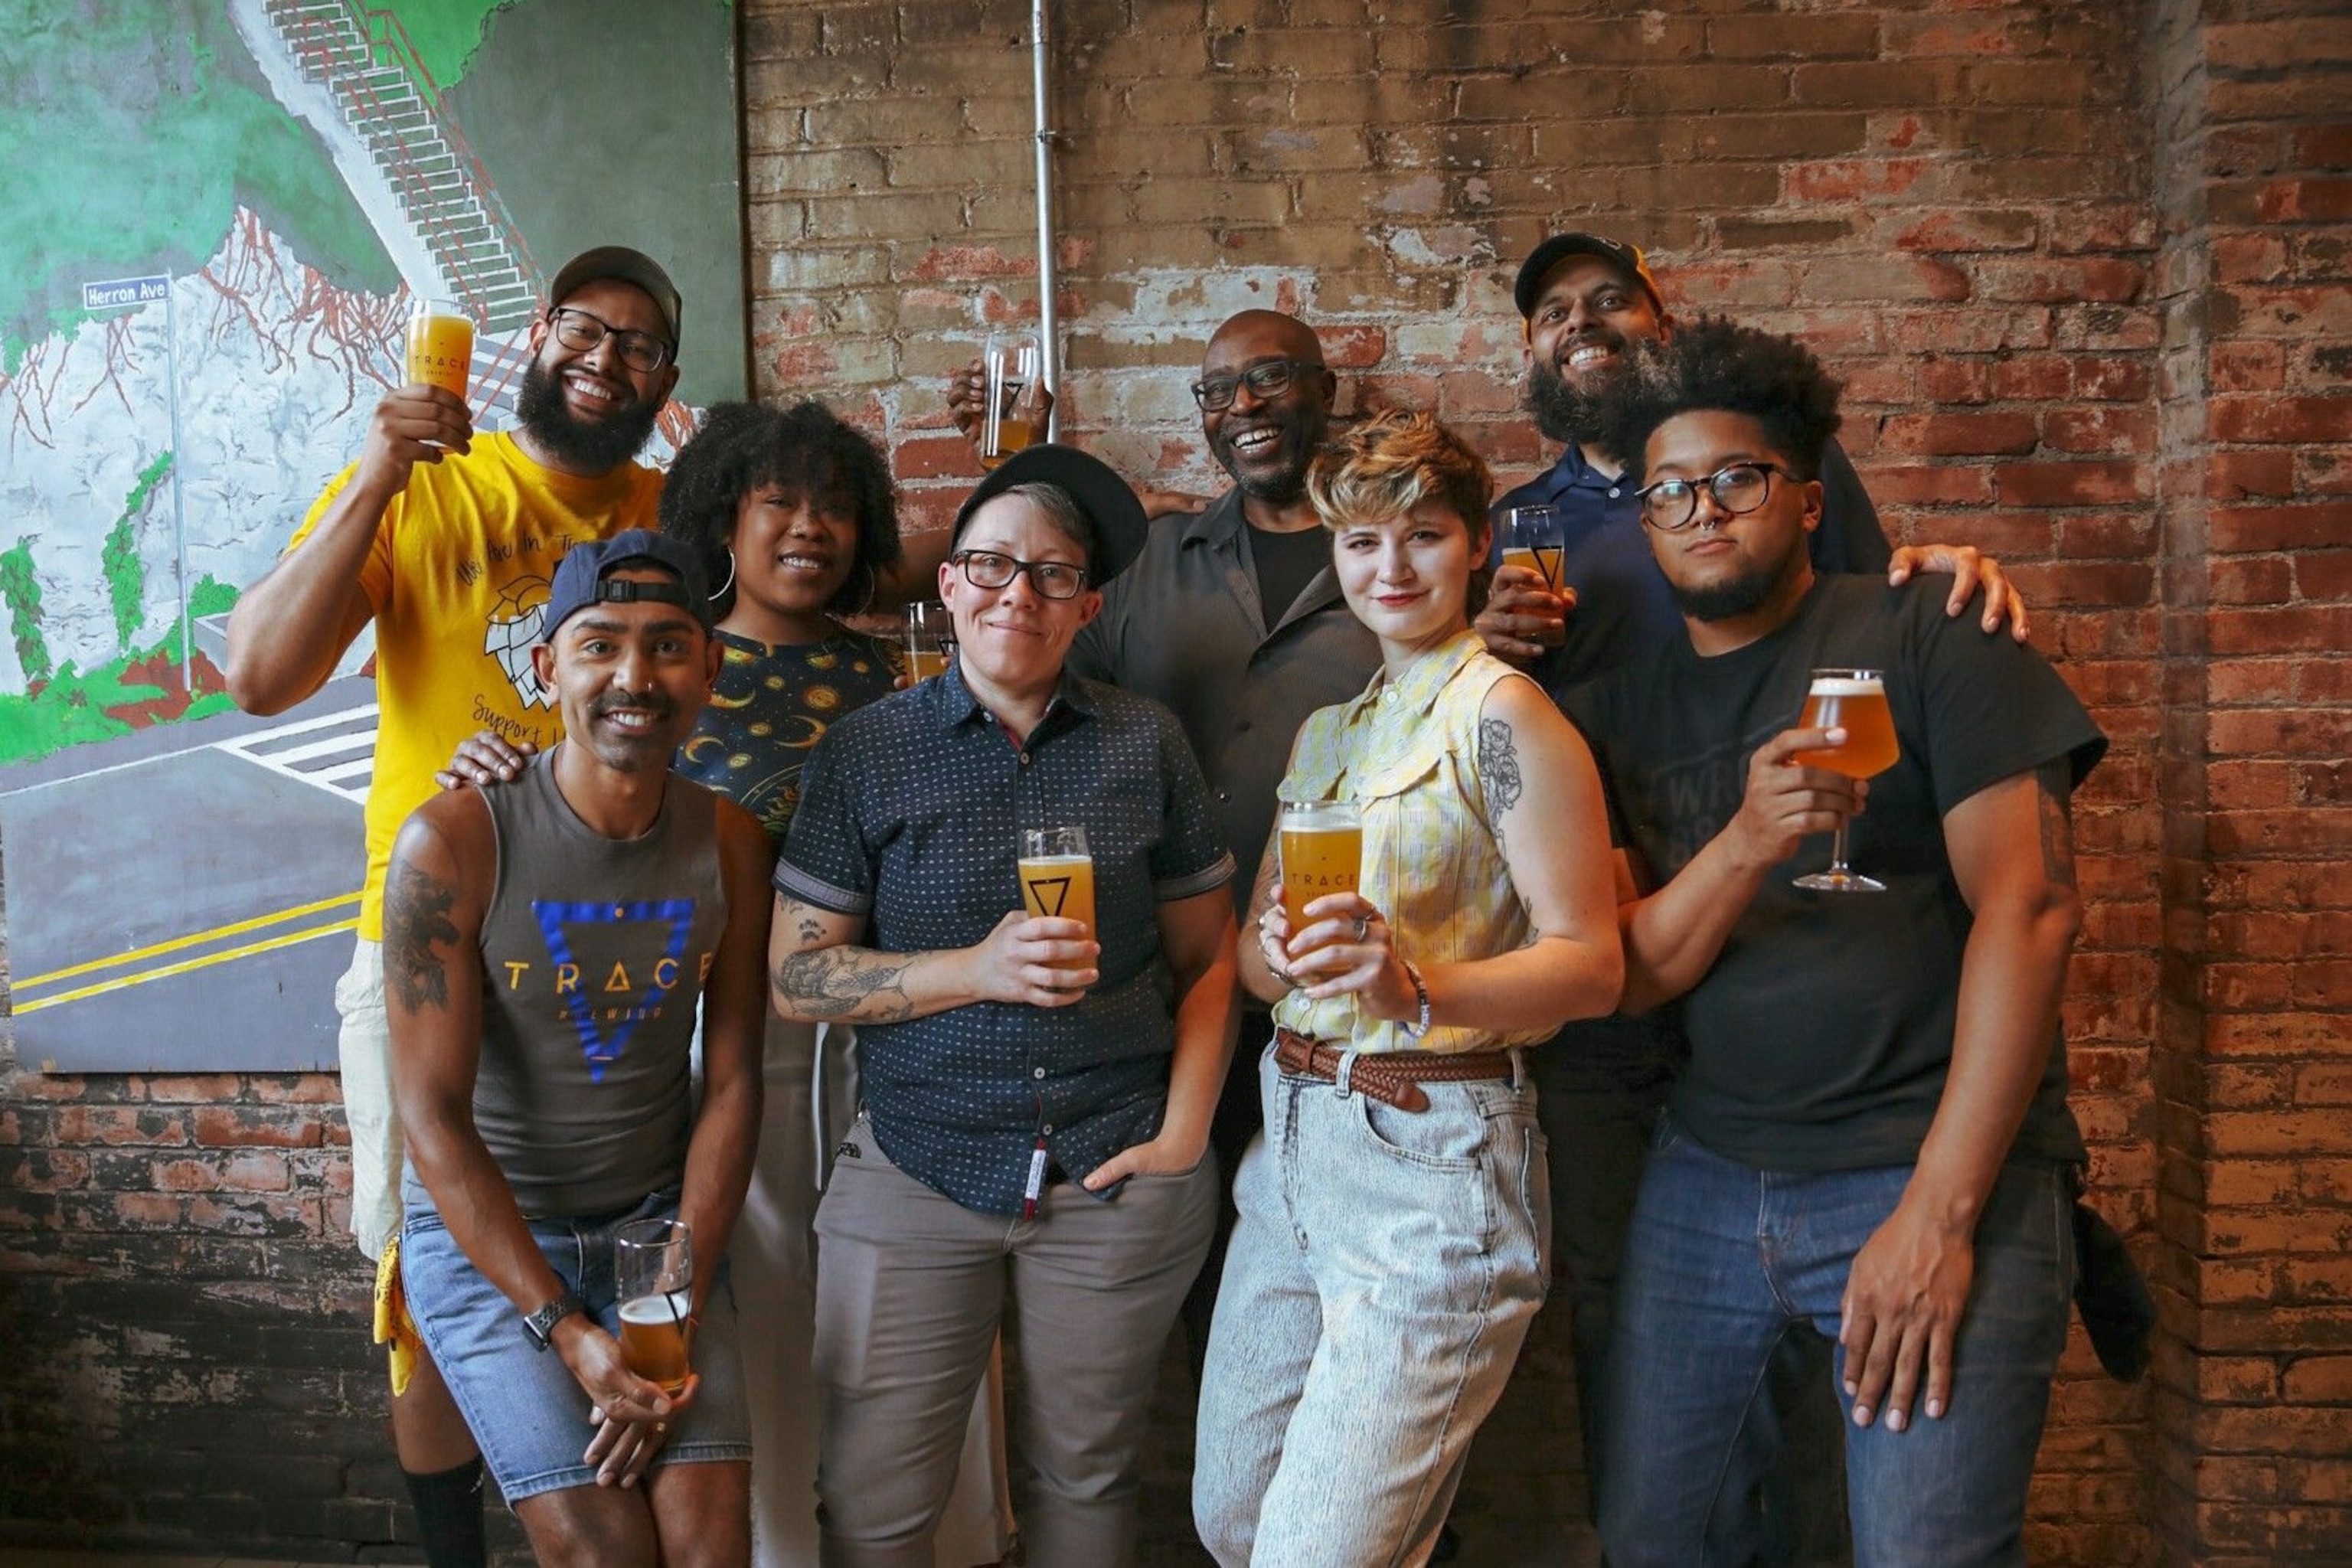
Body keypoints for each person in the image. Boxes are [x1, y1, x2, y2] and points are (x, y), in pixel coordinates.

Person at [1476, 230, 2035, 1553]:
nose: (1703, 508)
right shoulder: (1544, 580)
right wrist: (1475, 644)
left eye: (1736, 481)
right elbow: (1626, 947)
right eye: (1673, 492)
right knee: (1660, 1496)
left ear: (1799, 490)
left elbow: (2026, 902)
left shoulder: (1896, 606)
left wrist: (1941, 1214)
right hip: (1684, 1101)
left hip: (1891, 1120)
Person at [443, 402, 1015, 1567]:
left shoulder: (898, 680)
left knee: (887, 1319)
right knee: (749, 1310)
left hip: (888, 1040)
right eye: (780, 504)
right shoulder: (657, 663)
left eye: (838, 507)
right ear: (725, 518)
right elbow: (560, 801)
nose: (812, 529)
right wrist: (486, 763)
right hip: (717, 1054)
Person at [226, 246, 686, 1564]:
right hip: (426, 946)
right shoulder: (432, 490)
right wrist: (377, 469)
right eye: (585, 331)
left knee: (629, 1254)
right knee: (427, 1289)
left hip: (615, 945)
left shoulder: (670, 515)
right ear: (537, 337)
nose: (607, 361)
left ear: (665, 380)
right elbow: (260, 674)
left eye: (641, 346)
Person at [769, 445, 1235, 1567]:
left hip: (1112, 1162)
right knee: (875, 1504)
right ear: (948, 587)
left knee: (1089, 1480)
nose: (1016, 594)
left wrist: (1179, 1139)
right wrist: (971, 970)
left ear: (1088, 603)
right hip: (918, 1162)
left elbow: (1210, 959)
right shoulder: (870, 751)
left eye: (1050, 574)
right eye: (989, 567)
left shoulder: (1144, 740)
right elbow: (796, 976)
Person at [1192, 410, 1625, 1565]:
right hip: (1290, 1143)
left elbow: (1593, 962)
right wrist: (1279, 957)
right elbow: (1248, 960)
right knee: (1233, 1517)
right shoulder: (1326, 735)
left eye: (1423, 537)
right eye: (1363, 543)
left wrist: (1413, 984)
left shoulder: (1505, 715)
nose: (1391, 569)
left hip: (1431, 1159)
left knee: (1316, 1554)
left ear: (1476, 545)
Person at [385, 531, 772, 1566]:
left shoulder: (732, 842)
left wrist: (670, 1297)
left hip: (656, 1238)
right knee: (602, 1553)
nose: (635, 678)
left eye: (667, 647)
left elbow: (733, 1083)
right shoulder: (454, 841)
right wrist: (567, 1328)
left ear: (711, 669)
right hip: (499, 1249)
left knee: (706, 1550)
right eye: (599, 645)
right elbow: (430, 1116)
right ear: (547, 666)